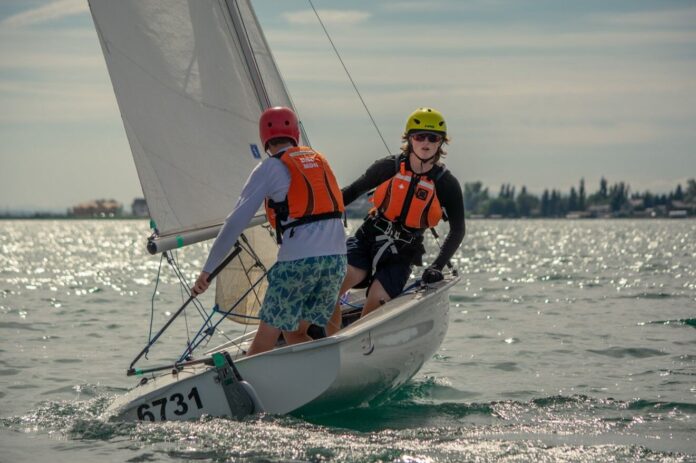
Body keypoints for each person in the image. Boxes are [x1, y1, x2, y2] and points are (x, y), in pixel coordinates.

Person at [192, 106, 347, 356]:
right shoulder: (319, 160)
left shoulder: (269, 168)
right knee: (296, 333)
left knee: (263, 343)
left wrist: (207, 271)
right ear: (295, 133)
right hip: (336, 261)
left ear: (265, 138)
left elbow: (234, 223)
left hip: (298, 264)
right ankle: (332, 366)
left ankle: (251, 382)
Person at [326, 107, 465, 334]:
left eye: (433, 138)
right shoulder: (387, 167)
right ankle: (329, 343)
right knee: (331, 285)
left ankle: (356, 347)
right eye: (419, 136)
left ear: (441, 143)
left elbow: (458, 230)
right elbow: (350, 193)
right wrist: (311, 213)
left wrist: (437, 266)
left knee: (375, 303)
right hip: (367, 240)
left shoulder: (446, 183)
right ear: (410, 139)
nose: (426, 142)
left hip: (402, 253)